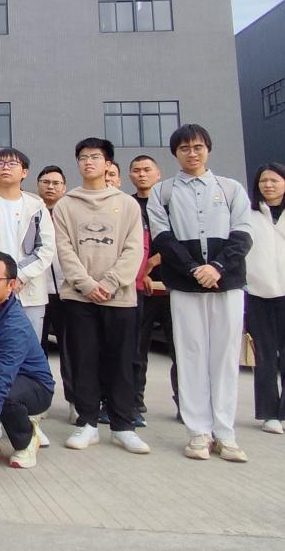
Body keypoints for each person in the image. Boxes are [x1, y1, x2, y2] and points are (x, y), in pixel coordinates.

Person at [147, 124, 253, 462]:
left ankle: (225, 433)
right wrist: (194, 269)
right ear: (175, 153)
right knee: (191, 355)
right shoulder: (163, 191)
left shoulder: (230, 188)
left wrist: (217, 267)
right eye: (184, 148)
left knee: (225, 357)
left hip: (227, 284)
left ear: (208, 149)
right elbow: (163, 238)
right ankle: (198, 432)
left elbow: (243, 234)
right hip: (185, 286)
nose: (192, 154)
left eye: (198, 147)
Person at [54, 137, 148, 454]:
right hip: (79, 298)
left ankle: (123, 426)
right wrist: (86, 284)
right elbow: (64, 250)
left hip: (119, 297)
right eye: (83, 157)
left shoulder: (127, 204)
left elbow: (134, 249)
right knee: (84, 360)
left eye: (95, 157)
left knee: (121, 361)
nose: (88, 162)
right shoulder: (67, 205)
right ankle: (88, 423)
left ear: (108, 164)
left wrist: (109, 283)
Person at [0, 251, 56, 469]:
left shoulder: (14, 326)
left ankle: (27, 439)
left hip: (34, 386)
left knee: (5, 394)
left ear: (11, 285)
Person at [244, 162, 285, 436]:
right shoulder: (248, 215)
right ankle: (269, 412)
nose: (268, 185)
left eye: (274, 180)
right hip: (259, 293)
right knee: (265, 354)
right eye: (263, 181)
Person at [0, 148, 54, 338]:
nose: (5, 167)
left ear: (24, 172)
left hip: (30, 290)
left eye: (12, 163)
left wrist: (19, 277)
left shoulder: (37, 206)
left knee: (29, 345)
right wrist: (0, 279)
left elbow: (46, 249)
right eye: (0, 163)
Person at [129, 154, 178, 426]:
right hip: (139, 288)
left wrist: (154, 262)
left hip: (172, 286)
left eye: (147, 169)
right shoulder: (128, 205)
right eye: (136, 170)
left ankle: (185, 403)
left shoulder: (170, 205)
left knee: (179, 351)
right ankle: (135, 401)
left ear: (158, 174)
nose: (142, 174)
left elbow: (178, 238)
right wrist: (141, 273)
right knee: (137, 349)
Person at [36, 165, 72, 419]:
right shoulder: (31, 209)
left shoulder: (70, 212)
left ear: (64, 188)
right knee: (37, 350)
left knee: (71, 349)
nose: (51, 187)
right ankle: (40, 402)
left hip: (67, 291)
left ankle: (75, 401)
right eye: (46, 182)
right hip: (37, 289)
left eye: (56, 183)